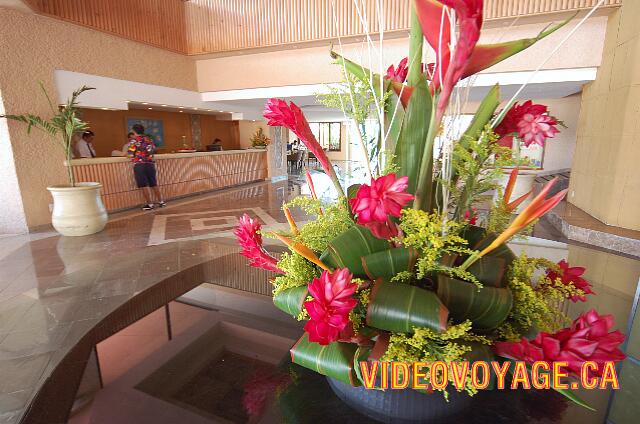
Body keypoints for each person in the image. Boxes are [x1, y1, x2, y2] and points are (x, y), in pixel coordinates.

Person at [127, 124, 165, 210]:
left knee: (144, 185)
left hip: (140, 165)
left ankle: (149, 204)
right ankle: (161, 201)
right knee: (154, 184)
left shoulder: (134, 141)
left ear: (134, 131)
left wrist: (128, 155)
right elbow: (153, 151)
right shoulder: (149, 140)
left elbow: (129, 154)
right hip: (150, 164)